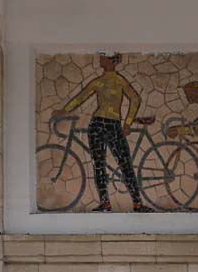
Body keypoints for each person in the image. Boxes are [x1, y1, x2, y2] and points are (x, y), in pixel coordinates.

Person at [54, 52, 152, 212]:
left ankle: (119, 203)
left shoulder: (109, 81)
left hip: (101, 125)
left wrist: (127, 123)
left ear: (111, 60)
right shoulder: (110, 81)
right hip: (105, 124)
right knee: (111, 164)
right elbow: (81, 97)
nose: (100, 59)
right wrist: (64, 110)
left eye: (103, 56)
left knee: (113, 164)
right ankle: (129, 204)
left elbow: (135, 99)